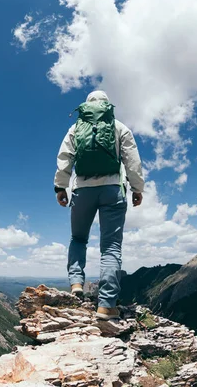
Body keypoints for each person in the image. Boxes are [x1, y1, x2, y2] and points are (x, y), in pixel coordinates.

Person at [54, 90, 145, 320]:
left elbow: (65, 157)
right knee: (111, 247)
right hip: (112, 189)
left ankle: (76, 284)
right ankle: (106, 305)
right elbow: (132, 161)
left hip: (82, 190)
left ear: (87, 106)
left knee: (78, 238)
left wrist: (60, 186)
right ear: (107, 105)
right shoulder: (119, 127)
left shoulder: (76, 128)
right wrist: (137, 188)